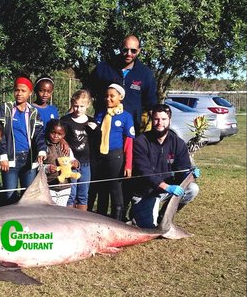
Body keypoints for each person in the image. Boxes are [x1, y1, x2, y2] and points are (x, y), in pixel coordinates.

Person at [130, 104, 200, 228]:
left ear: (169, 121)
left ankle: (165, 214)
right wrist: (165, 186)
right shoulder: (141, 142)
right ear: (152, 120)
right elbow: (143, 171)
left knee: (193, 189)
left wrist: (189, 174)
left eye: (163, 119)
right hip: (147, 191)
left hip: (168, 189)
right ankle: (137, 212)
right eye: (156, 119)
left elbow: (182, 168)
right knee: (149, 228)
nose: (159, 123)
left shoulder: (178, 143)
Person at [87, 34, 157, 135]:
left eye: (133, 51)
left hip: (131, 131)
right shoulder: (104, 68)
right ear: (120, 49)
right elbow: (86, 92)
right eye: (125, 50)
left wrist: (159, 127)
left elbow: (151, 105)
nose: (129, 54)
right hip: (104, 129)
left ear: (139, 50)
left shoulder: (145, 74)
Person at [0, 76, 47, 205]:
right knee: (9, 195)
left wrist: (42, 150)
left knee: (29, 197)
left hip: (29, 160)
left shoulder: (34, 112)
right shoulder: (6, 109)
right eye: (16, 90)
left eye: (23, 91)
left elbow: (39, 134)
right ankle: (11, 224)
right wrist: (2, 155)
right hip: (10, 159)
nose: (19, 94)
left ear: (30, 93)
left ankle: (28, 224)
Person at [92, 84, 135, 220]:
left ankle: (117, 221)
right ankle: (101, 219)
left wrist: (128, 165)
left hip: (115, 156)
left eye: (112, 96)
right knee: (102, 189)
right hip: (100, 157)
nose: (108, 99)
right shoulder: (100, 114)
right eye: (106, 96)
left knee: (115, 189)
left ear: (120, 97)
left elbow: (129, 143)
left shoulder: (126, 116)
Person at [60, 89, 96, 211]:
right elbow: (59, 135)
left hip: (86, 163)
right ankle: (69, 220)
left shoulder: (91, 121)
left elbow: (98, 140)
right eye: (75, 106)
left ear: (87, 106)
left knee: (83, 195)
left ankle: (82, 221)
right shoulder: (65, 120)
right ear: (71, 104)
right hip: (70, 163)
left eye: (81, 106)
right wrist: (63, 141)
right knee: (71, 194)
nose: (78, 109)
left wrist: (97, 130)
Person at [43, 119, 80, 206]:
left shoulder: (66, 148)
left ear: (64, 135)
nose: (56, 136)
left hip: (65, 187)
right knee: (50, 211)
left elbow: (72, 159)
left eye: (59, 134)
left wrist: (76, 163)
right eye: (53, 132)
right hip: (49, 187)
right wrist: (47, 168)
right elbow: (37, 166)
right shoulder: (44, 147)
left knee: (61, 210)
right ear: (48, 131)